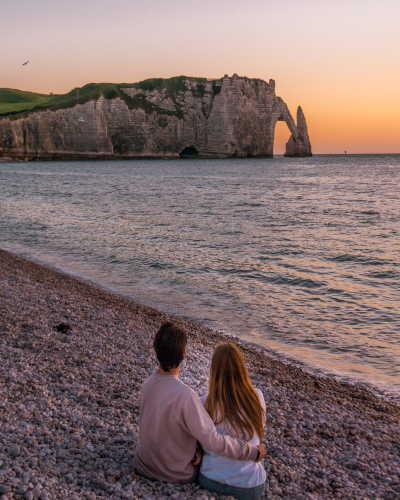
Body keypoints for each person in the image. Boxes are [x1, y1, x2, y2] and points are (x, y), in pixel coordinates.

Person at [133, 322, 265, 483]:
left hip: (142, 464)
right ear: (184, 352)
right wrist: (252, 453)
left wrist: (198, 449)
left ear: (156, 350)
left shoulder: (146, 385)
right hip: (174, 473)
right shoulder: (186, 396)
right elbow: (213, 440)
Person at [198, 342, 267, 500]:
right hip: (251, 487)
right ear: (242, 369)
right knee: (258, 441)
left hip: (211, 479)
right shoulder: (257, 396)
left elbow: (202, 440)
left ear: (214, 371)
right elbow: (260, 429)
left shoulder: (204, 403)